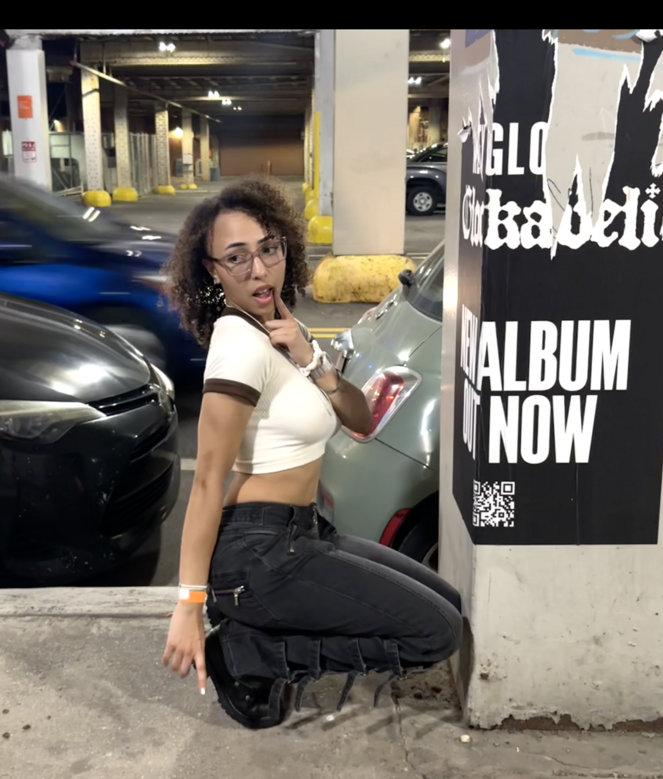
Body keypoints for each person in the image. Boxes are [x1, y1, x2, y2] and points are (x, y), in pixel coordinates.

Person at [159, 175, 462, 729]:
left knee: (448, 603)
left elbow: (359, 417)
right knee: (435, 633)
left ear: (285, 249)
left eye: (268, 249)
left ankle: (259, 632)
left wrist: (311, 357)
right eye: (237, 257)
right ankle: (250, 653)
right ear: (213, 270)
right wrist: (189, 602)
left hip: (304, 531)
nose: (258, 270)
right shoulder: (237, 347)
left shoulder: (281, 328)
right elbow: (205, 482)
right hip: (259, 552)